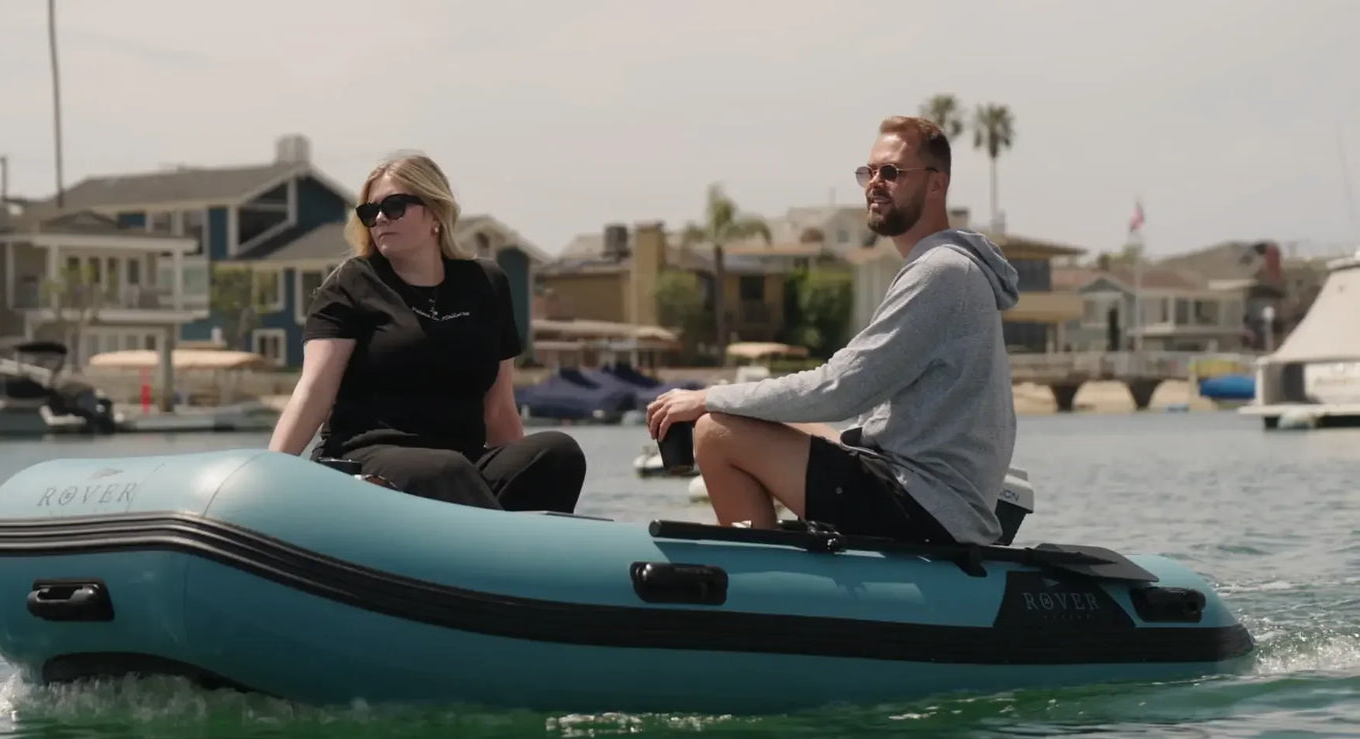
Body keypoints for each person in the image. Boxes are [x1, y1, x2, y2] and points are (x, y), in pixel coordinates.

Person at [646, 116, 1020, 546]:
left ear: (937, 185)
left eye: (892, 173)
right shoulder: (946, 268)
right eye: (870, 172)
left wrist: (707, 398)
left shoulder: (942, 273)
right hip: (926, 492)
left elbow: (842, 389)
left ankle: (760, 586)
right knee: (759, 421)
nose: (875, 183)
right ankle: (765, 544)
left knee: (716, 433)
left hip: (928, 509)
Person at [267, 152, 587, 513]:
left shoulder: (486, 283)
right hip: (366, 457)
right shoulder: (352, 283)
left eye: (395, 206)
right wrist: (270, 475)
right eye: (370, 213)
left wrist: (516, 467)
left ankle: (524, 551)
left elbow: (498, 408)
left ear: (435, 211)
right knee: (442, 468)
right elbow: (313, 391)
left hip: (459, 464)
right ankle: (502, 552)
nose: (380, 219)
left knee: (557, 452)